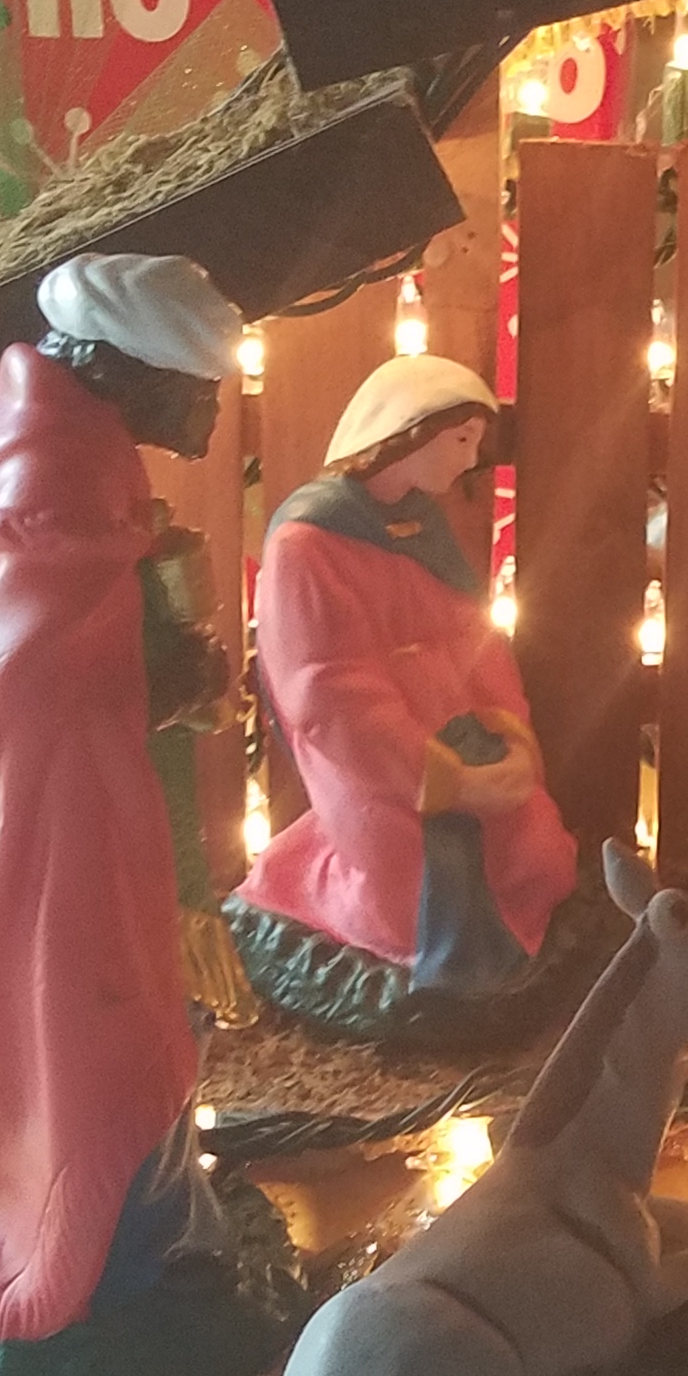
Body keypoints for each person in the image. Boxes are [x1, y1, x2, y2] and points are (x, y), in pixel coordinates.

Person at [0, 252, 271, 1376]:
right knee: (89, 1033)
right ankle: (104, 1273)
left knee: (83, 1029)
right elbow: (24, 689)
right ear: (125, 368)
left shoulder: (32, 439)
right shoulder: (53, 469)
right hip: (50, 841)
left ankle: (138, 1239)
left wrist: (148, 667)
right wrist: (164, 682)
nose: (205, 422)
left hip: (32, 817)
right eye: (195, 392)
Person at [237, 354, 579, 1017]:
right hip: (376, 769)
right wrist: (444, 779)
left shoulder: (425, 528)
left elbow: (477, 641)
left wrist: (512, 742)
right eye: (460, 440)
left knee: (540, 859)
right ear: (405, 434)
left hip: (464, 736)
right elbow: (327, 687)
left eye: (476, 443)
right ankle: (297, 884)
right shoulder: (307, 544)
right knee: (404, 905)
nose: (470, 460)